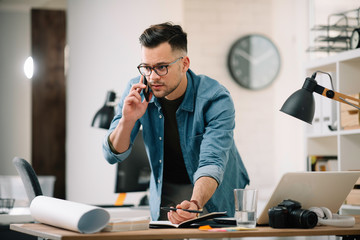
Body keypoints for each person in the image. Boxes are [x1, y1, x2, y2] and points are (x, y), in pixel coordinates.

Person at [102, 22, 249, 224]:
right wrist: (127, 120)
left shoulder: (215, 98)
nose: (152, 77)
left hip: (213, 190)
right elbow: (111, 155)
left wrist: (195, 203)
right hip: (167, 193)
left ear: (184, 64)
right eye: (146, 67)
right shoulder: (138, 89)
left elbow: (212, 162)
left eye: (162, 67)